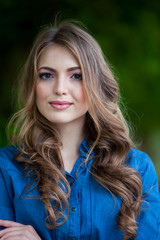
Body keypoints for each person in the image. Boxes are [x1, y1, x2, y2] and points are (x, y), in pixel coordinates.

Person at [0, 21, 159, 240]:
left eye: (76, 76)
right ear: (32, 85)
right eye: (47, 75)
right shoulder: (6, 168)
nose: (60, 89)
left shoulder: (137, 169)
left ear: (96, 84)